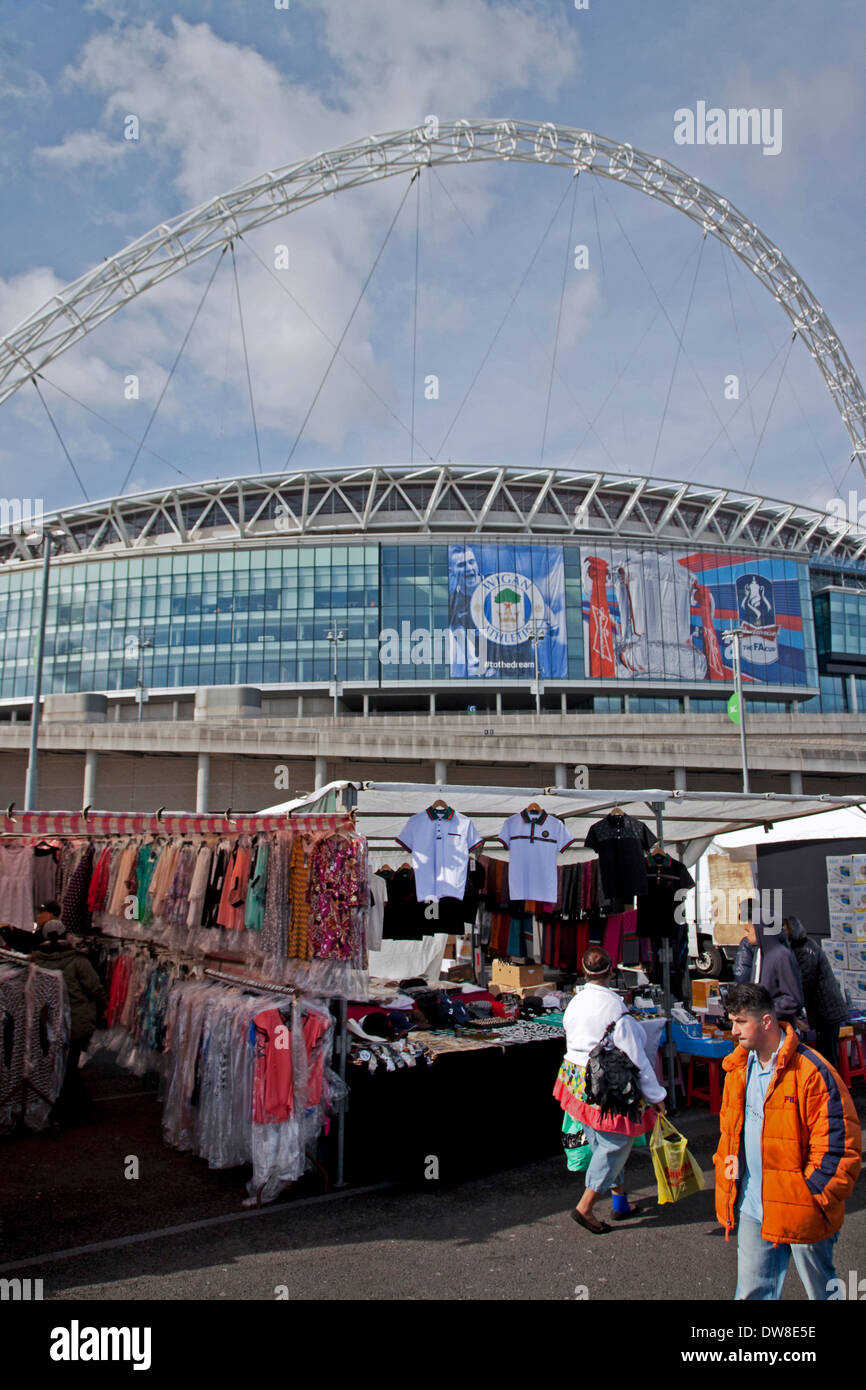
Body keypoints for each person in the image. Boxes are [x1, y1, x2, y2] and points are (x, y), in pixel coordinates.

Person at [714, 983, 861, 1300]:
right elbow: (729, 1136)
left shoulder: (812, 1072)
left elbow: (840, 1148)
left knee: (822, 1290)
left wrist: (810, 1195)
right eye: (732, 1021)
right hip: (753, 1206)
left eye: (741, 1022)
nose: (733, 1030)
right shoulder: (738, 1068)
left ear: (766, 1021)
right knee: (751, 1293)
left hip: (802, 1206)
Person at [554, 945, 666, 1234]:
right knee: (615, 1143)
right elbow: (637, 1058)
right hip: (605, 1083)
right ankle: (586, 1206)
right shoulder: (617, 1009)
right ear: (611, 971)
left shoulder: (575, 1002)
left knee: (598, 1137)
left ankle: (619, 1201)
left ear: (584, 971)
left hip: (577, 1077)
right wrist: (656, 1096)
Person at [30, 922, 107, 1128]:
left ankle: (65, 1104)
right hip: (76, 1023)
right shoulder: (77, 961)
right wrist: (102, 1006)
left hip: (47, 1025)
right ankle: (74, 1108)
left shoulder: (36, 961)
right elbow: (95, 988)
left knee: (56, 1065)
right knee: (69, 1066)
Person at [783, 916, 848, 1068]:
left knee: (827, 1054)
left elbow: (805, 981)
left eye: (785, 930)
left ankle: (832, 1087)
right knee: (825, 1052)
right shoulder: (801, 947)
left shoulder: (806, 949)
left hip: (827, 1010)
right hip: (823, 1010)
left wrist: (795, 1009)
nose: (783, 933)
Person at [740, 910, 803, 1026]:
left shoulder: (781, 956)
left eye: (749, 931)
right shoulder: (759, 953)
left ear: (760, 931)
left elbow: (793, 999)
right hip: (763, 1025)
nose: (746, 936)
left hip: (779, 1027)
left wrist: (764, 1010)